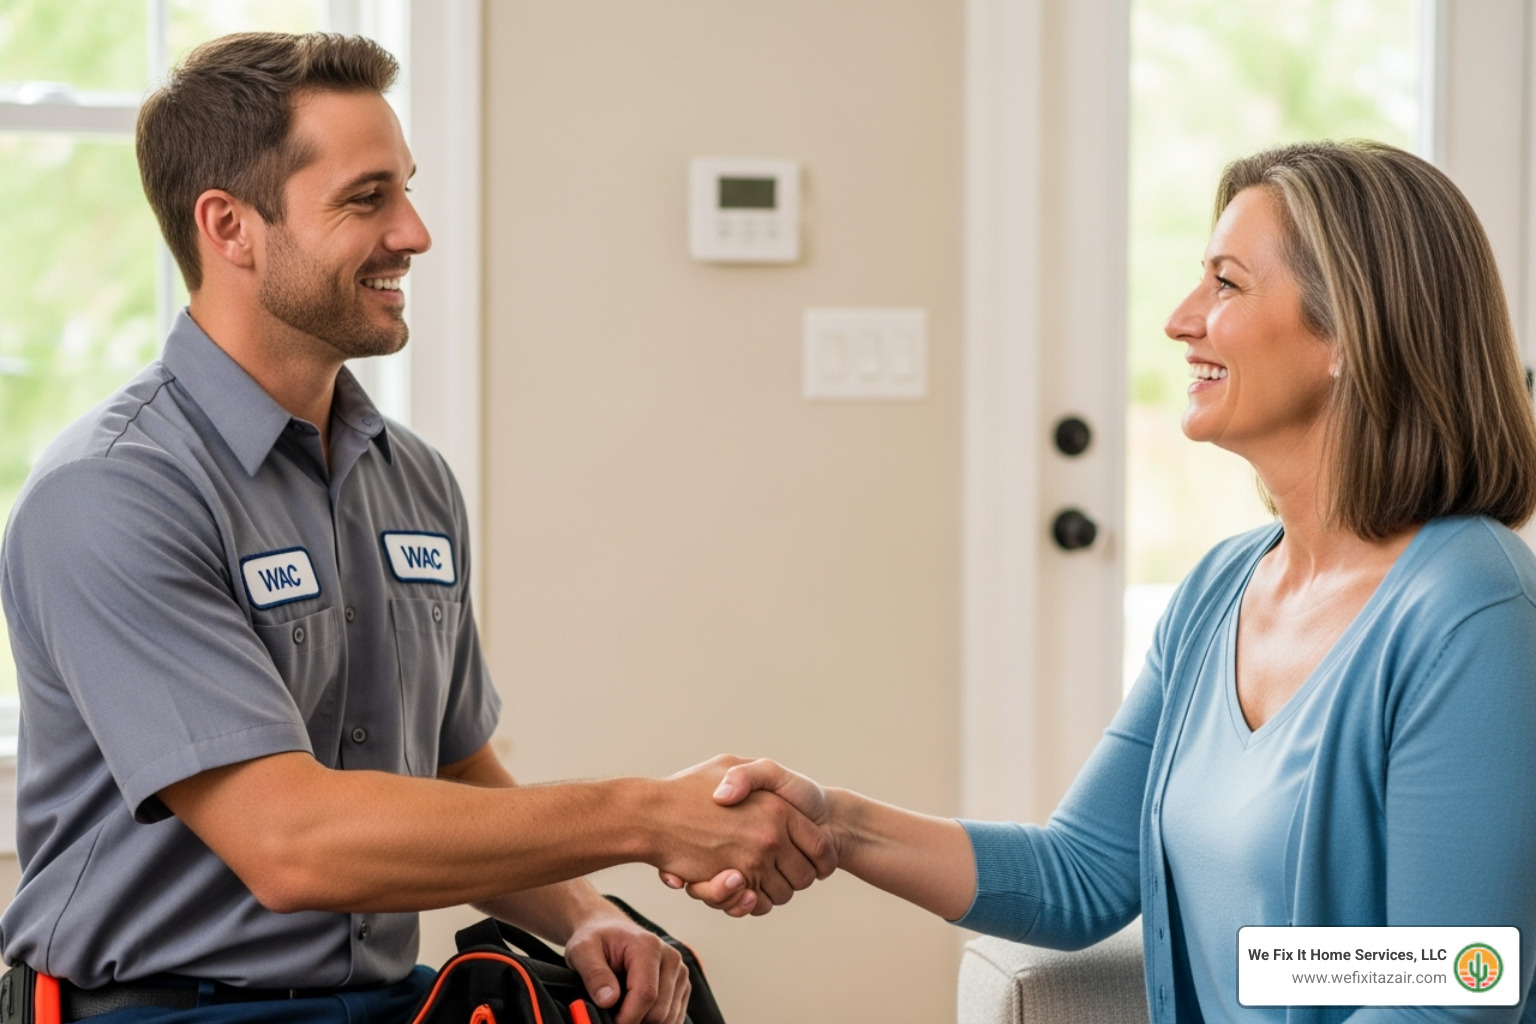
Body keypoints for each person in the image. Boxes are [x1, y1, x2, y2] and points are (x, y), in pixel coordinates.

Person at [0, 32, 833, 1024]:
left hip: (383, 996)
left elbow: (448, 764)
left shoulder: (412, 481)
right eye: (368, 198)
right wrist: (648, 817)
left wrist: (578, 913)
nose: (416, 231)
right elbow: (293, 845)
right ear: (229, 227)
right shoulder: (112, 492)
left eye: (408, 189)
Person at [671, 141, 1536, 1023]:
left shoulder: (1473, 608)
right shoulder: (1220, 591)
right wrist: (836, 825)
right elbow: (1081, 873)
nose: (1179, 319)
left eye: (1226, 284)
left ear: (1351, 334)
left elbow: (1460, 981)